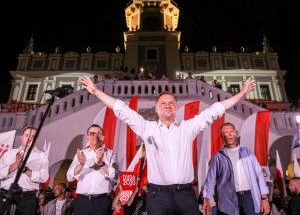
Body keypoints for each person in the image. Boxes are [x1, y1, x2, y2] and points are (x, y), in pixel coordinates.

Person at [80, 75, 256, 215]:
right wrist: (96, 91)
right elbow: (121, 110)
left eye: (171, 103)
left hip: (186, 195)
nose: (167, 105)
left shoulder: (188, 128)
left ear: (176, 108)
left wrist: (241, 94)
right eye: (163, 103)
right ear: (156, 109)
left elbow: (216, 110)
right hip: (158, 196)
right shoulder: (147, 128)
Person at [202, 122, 270, 215]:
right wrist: (207, 199)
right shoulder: (218, 157)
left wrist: (264, 198)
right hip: (229, 199)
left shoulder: (247, 152)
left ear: (235, 133)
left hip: (249, 197)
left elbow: (259, 175)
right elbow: (210, 179)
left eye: (231, 131)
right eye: (226, 132)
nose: (229, 134)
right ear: (222, 136)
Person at [66, 124, 119, 215]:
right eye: (92, 133)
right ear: (87, 138)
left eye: (99, 133)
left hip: (102, 201)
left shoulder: (111, 153)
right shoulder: (81, 154)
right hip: (82, 201)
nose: (95, 135)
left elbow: (115, 175)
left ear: (103, 137)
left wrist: (101, 164)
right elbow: (69, 177)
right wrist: (81, 164)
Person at [0, 126, 49, 215]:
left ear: (36, 139)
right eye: (27, 135)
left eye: (33, 136)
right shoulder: (9, 154)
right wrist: (14, 166)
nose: (30, 139)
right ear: (22, 137)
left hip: (27, 199)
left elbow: (44, 177)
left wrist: (25, 169)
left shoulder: (42, 156)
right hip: (6, 196)